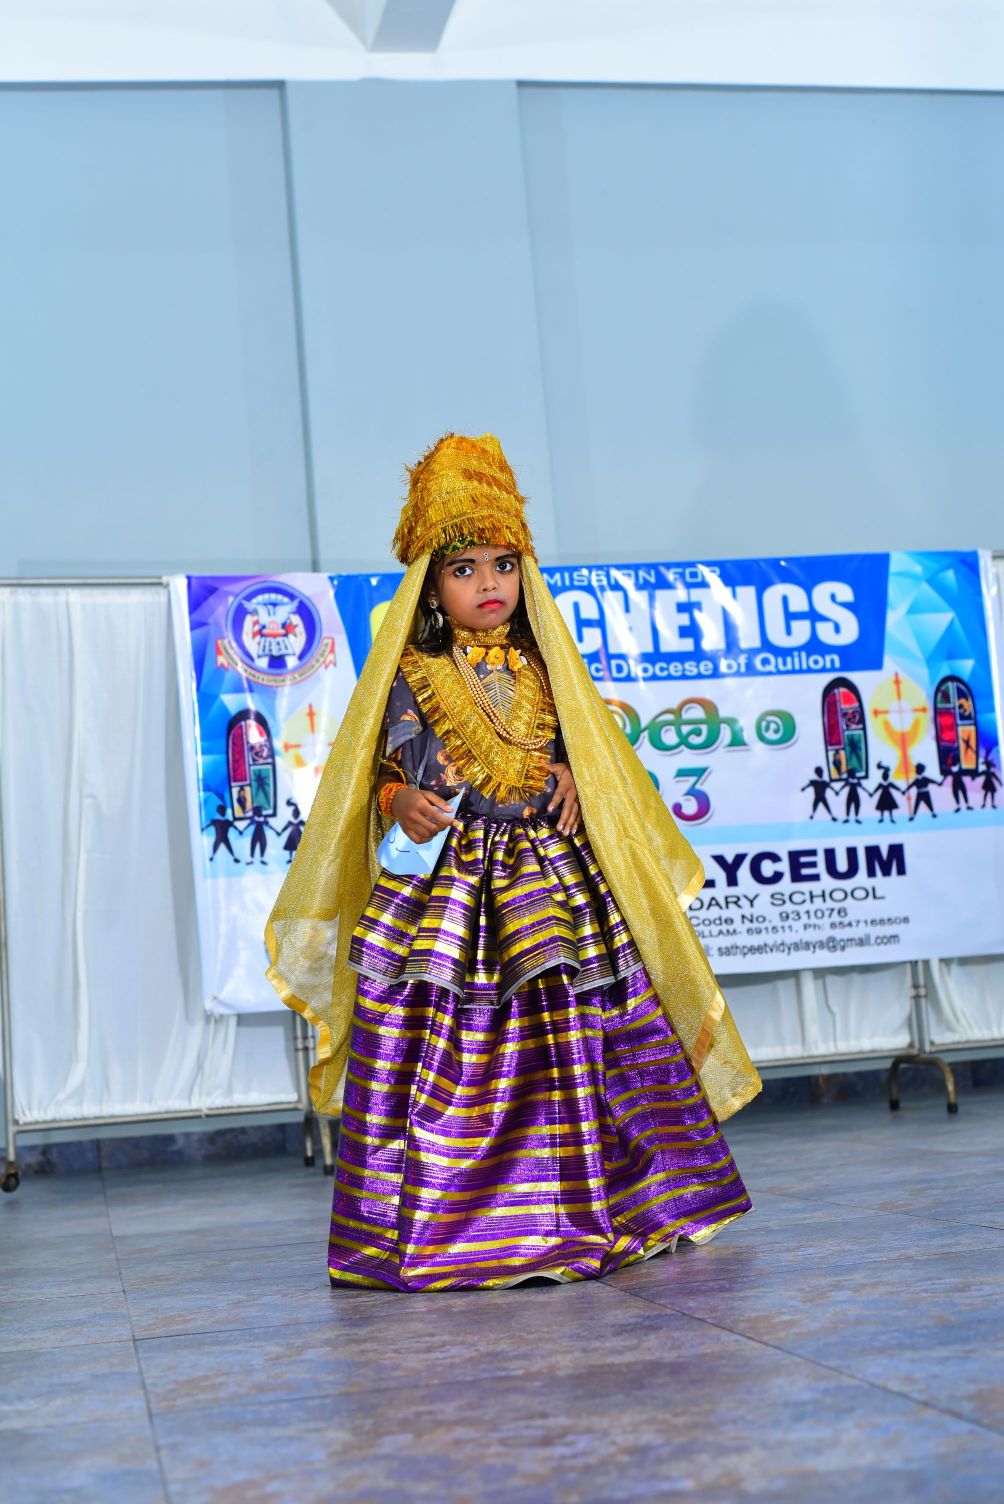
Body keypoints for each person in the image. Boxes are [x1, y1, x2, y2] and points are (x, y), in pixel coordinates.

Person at [266, 433, 759, 1291]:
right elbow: (379, 775)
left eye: (504, 564)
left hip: (557, 885)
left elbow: (593, 757)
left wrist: (573, 775)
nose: (488, 583)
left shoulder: (548, 666)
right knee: (449, 1051)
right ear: (430, 586)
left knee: (582, 1037)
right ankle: (456, 1228)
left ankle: (608, 1210)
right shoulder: (411, 673)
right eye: (464, 569)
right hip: (450, 895)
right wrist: (397, 801)